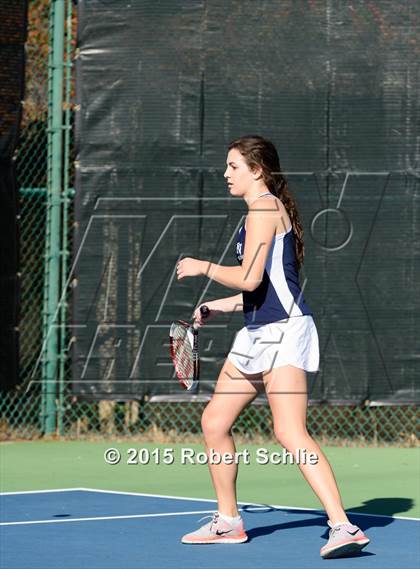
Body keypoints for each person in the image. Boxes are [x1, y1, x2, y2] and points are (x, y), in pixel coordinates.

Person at [176, 135, 370, 559]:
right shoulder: (256, 213)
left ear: (257, 170)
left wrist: (202, 266)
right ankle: (228, 521)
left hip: (285, 331)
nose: (226, 174)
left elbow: (248, 278)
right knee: (214, 422)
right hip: (258, 331)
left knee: (288, 430)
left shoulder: (264, 208)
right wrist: (217, 306)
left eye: (233, 166)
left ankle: (343, 525)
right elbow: (260, 286)